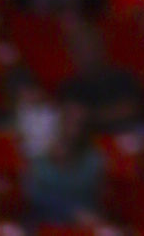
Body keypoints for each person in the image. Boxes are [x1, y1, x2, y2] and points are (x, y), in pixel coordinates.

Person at [21, 98, 105, 229]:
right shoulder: (41, 155)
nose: (72, 128)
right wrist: (71, 211)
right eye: (68, 121)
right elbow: (34, 194)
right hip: (44, 221)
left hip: (83, 222)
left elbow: (92, 195)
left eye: (78, 123)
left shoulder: (93, 159)